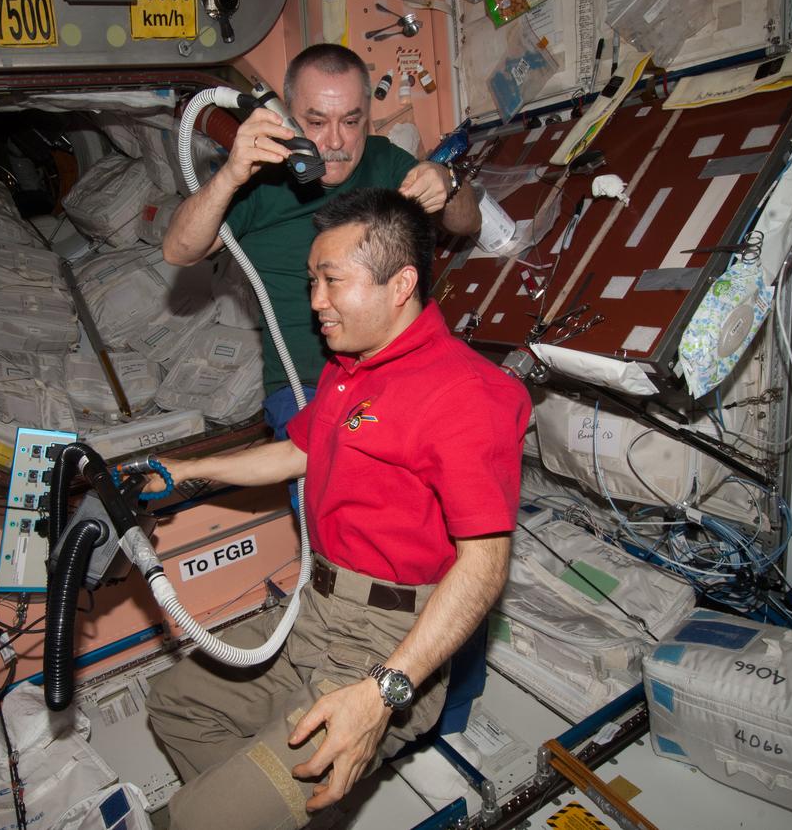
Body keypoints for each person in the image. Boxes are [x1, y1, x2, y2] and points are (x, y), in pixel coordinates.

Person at [145, 188, 530, 830]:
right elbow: (296, 451)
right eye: (311, 281)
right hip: (314, 613)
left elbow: (486, 566)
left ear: (400, 283)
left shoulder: (467, 396)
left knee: (193, 820)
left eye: (331, 281)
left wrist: (385, 693)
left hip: (387, 643)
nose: (315, 301)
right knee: (175, 703)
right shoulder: (351, 367)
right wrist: (185, 472)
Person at [162, 43, 481, 440]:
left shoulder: (384, 159)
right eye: (315, 122)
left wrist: (446, 180)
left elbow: (469, 222)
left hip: (404, 374)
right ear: (287, 119)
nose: (334, 142)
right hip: (308, 387)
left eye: (351, 122)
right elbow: (179, 250)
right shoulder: (260, 180)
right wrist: (231, 174)